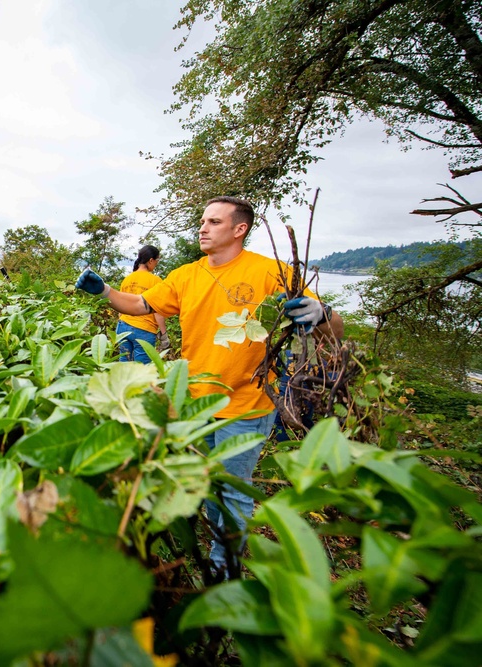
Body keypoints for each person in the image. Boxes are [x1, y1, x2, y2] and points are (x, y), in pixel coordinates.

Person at [76, 196, 342, 577]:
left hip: (246, 404)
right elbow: (139, 305)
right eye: (202, 221)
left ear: (239, 229)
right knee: (204, 486)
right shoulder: (186, 275)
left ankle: (224, 571)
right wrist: (104, 291)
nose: (202, 227)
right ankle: (215, 551)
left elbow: (335, 330)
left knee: (233, 491)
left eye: (214, 222)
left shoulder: (271, 272)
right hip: (195, 405)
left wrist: (322, 314)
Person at [116, 245, 169, 362]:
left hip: (123, 327)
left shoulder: (127, 279)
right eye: (157, 260)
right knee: (143, 371)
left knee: (124, 367)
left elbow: (120, 306)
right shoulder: (155, 281)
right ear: (151, 260)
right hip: (144, 330)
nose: (156, 264)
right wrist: (164, 334)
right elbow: (157, 310)